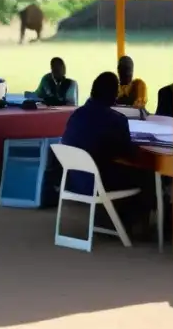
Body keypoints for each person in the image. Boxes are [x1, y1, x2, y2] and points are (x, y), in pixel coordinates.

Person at [59, 71, 155, 233]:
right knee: (146, 174)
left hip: (74, 181)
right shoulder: (114, 119)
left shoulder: (77, 114)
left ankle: (111, 218)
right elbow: (131, 153)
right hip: (97, 183)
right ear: (113, 94)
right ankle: (139, 226)